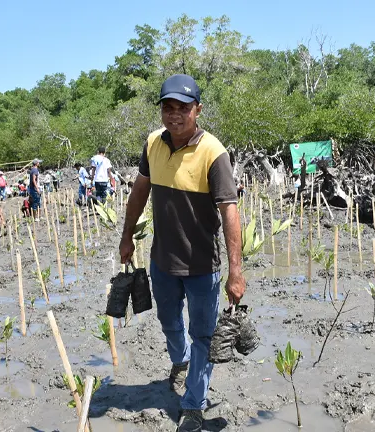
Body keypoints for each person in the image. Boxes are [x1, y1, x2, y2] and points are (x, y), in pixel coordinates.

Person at [119, 74, 245, 432]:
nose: (175, 115)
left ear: (197, 110)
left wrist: (236, 270)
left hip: (202, 265)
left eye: (183, 108)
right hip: (162, 261)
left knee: (203, 334)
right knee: (168, 321)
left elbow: (229, 211)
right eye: (168, 107)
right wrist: (127, 236)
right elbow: (139, 193)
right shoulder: (152, 145)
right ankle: (181, 359)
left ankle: (193, 405)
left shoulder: (213, 153)